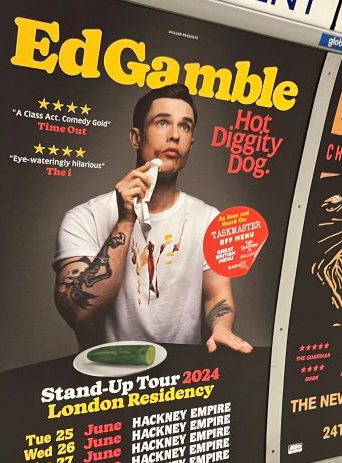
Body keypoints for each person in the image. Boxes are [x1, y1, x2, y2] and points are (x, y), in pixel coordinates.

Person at [53, 84, 252, 354]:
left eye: (185, 126)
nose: (174, 136)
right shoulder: (84, 218)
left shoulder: (209, 220)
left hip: (179, 379)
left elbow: (217, 295)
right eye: (162, 123)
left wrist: (222, 328)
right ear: (136, 137)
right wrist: (126, 220)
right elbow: (77, 313)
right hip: (105, 379)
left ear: (191, 144)